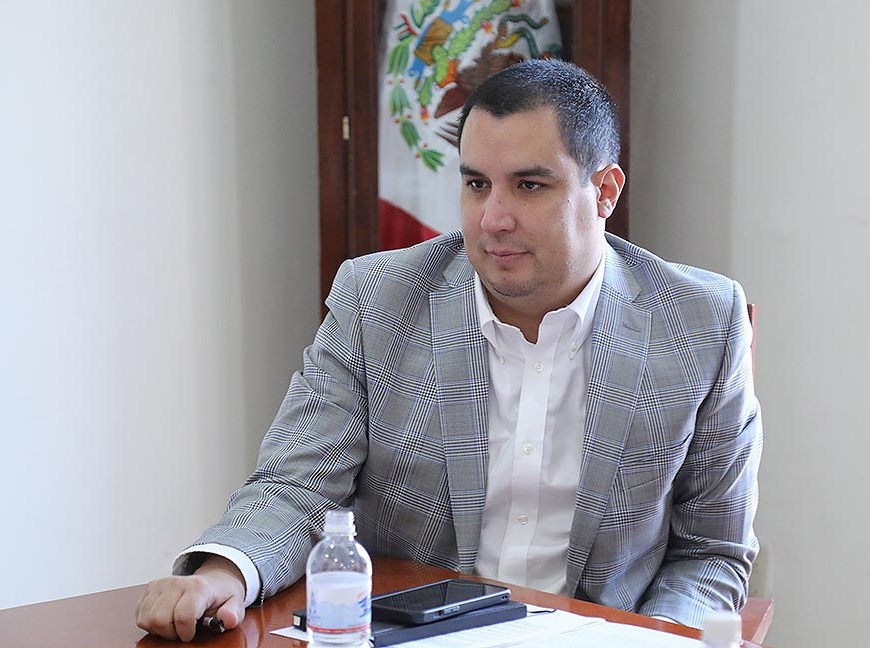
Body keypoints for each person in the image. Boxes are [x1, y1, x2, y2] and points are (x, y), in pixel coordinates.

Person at [136, 59, 762, 641]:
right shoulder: (378, 299)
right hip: (412, 634)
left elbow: (711, 552)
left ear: (604, 191)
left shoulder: (702, 322)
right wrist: (224, 571)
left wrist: (652, 639)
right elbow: (299, 485)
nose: (492, 219)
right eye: (476, 183)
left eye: (529, 185)